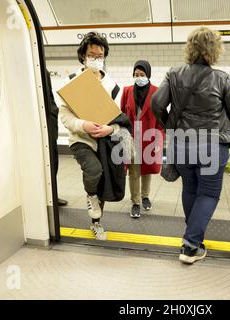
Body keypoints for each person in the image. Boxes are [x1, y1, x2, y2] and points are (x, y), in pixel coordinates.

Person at [152, 27, 230, 264]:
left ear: (189, 47)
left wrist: (170, 125)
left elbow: (157, 103)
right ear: (215, 50)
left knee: (190, 189)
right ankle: (190, 245)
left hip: (182, 143)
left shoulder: (173, 74)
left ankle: (195, 239)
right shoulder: (222, 78)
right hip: (213, 144)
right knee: (209, 194)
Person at [59, 32, 130, 240]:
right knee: (93, 169)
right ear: (83, 56)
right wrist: (84, 125)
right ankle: (90, 196)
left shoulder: (113, 87)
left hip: (105, 141)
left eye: (100, 56)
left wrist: (110, 130)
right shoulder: (72, 81)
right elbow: (65, 116)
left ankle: (96, 222)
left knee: (103, 182)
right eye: (92, 55)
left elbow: (118, 120)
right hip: (81, 139)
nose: (96, 59)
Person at [121, 60, 164, 219]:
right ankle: (136, 202)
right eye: (136, 74)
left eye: (142, 74)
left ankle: (145, 195)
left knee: (147, 169)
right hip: (132, 136)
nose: (139, 77)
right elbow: (122, 114)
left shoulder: (157, 91)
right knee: (134, 170)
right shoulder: (127, 91)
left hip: (149, 137)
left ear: (148, 75)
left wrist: (159, 140)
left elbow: (161, 118)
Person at [45, 68, 68, 207]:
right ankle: (49, 195)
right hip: (44, 119)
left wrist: (53, 113)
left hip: (49, 119)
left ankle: (52, 194)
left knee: (53, 160)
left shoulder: (43, 70)